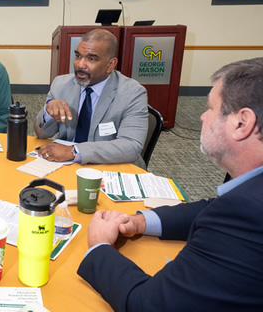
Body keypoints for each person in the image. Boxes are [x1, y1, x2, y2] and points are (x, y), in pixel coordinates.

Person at [77, 57, 263, 311]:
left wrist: (99, 246)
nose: (201, 116)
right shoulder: (247, 196)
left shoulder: (248, 214)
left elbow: (148, 305)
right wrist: (141, 221)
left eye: (210, 108)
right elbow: (215, 208)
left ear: (242, 123)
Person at [34, 29, 148, 167]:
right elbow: (42, 133)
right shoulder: (61, 84)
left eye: (91, 58)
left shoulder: (132, 93)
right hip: (65, 164)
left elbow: (131, 146)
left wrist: (74, 152)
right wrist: (48, 113)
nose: (80, 65)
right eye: (78, 56)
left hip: (110, 166)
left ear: (110, 64)